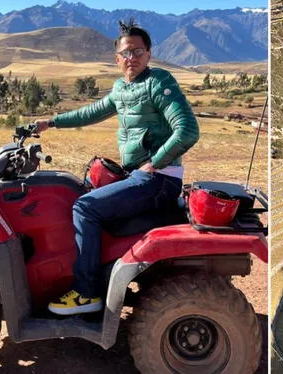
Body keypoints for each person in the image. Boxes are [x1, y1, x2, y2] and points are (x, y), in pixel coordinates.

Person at [35, 20, 199, 315]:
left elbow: (187, 130)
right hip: (139, 174)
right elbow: (92, 112)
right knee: (81, 189)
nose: (131, 58)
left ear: (149, 54)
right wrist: (50, 123)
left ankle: (86, 293)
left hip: (158, 179)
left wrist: (155, 162)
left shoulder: (158, 82)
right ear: (117, 59)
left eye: (138, 51)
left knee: (85, 207)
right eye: (126, 53)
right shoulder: (122, 88)